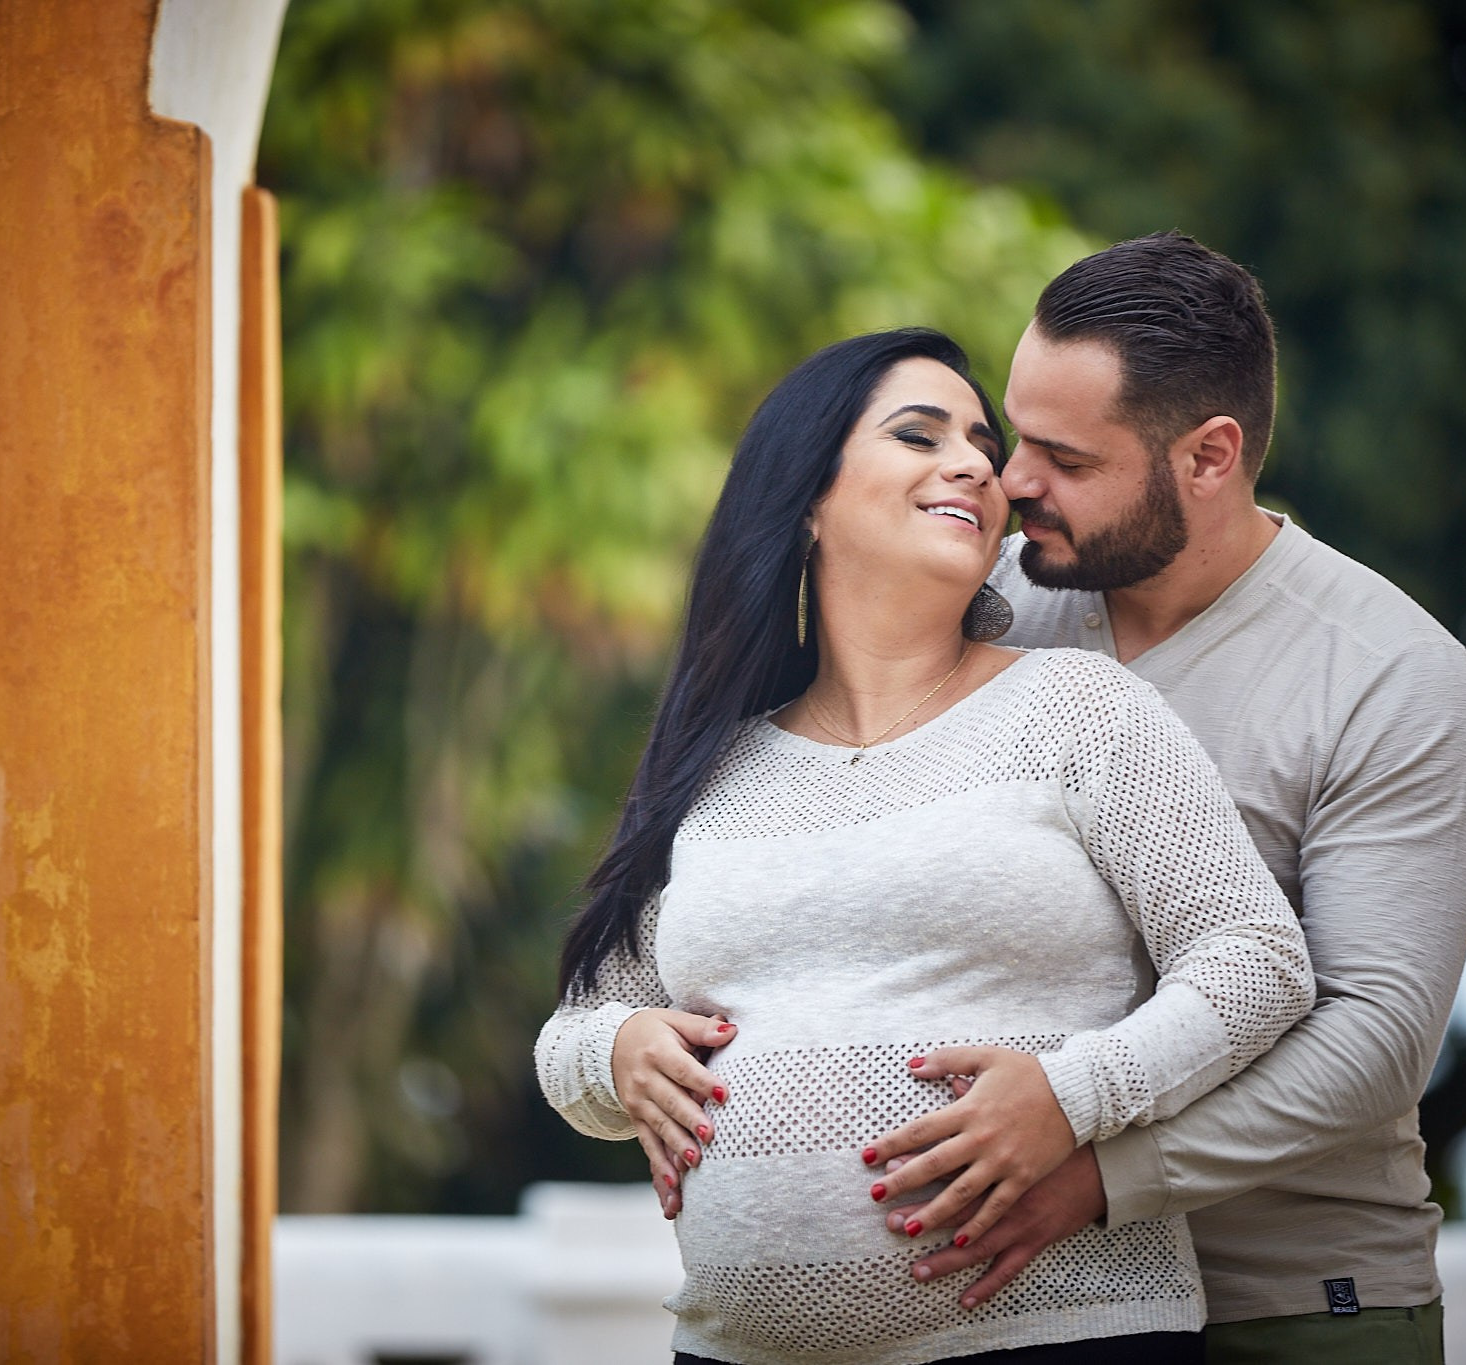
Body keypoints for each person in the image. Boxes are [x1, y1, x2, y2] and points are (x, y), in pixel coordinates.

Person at [535, 326, 1314, 1365]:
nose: (973, 464)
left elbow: (1255, 963)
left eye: (981, 448)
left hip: (1058, 1339)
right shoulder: (712, 768)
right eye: (917, 434)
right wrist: (617, 1054)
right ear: (806, 495)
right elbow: (575, 1029)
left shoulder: (1081, 711)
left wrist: (1070, 1096)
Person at [868, 233, 1466, 1364]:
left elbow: (1375, 1039)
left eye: (1064, 456)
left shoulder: (1388, 676)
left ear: (1208, 455)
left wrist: (1099, 1175)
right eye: (1015, 436)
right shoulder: (987, 605)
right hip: (1024, 1309)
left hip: (1291, 1307)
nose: (1011, 483)